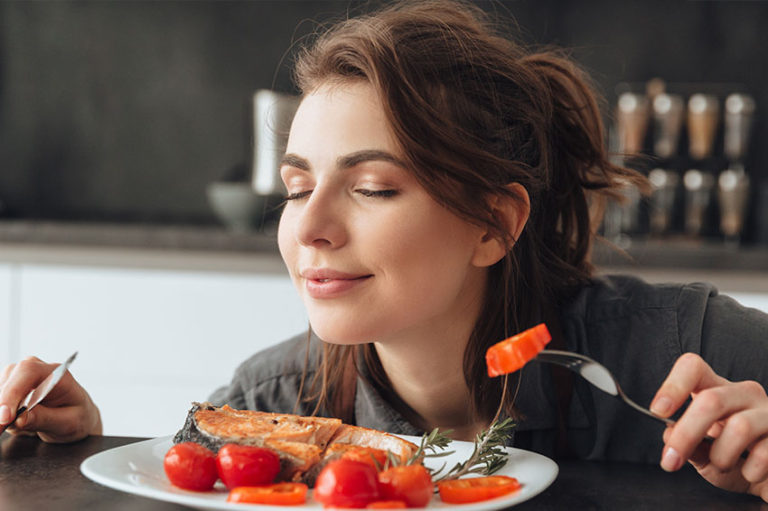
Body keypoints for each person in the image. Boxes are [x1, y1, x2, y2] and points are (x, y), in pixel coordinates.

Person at [2, 0, 768, 501]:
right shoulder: (272, 402)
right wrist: (79, 463)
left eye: (372, 187)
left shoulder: (688, 351)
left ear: (493, 224)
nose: (308, 230)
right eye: (298, 188)